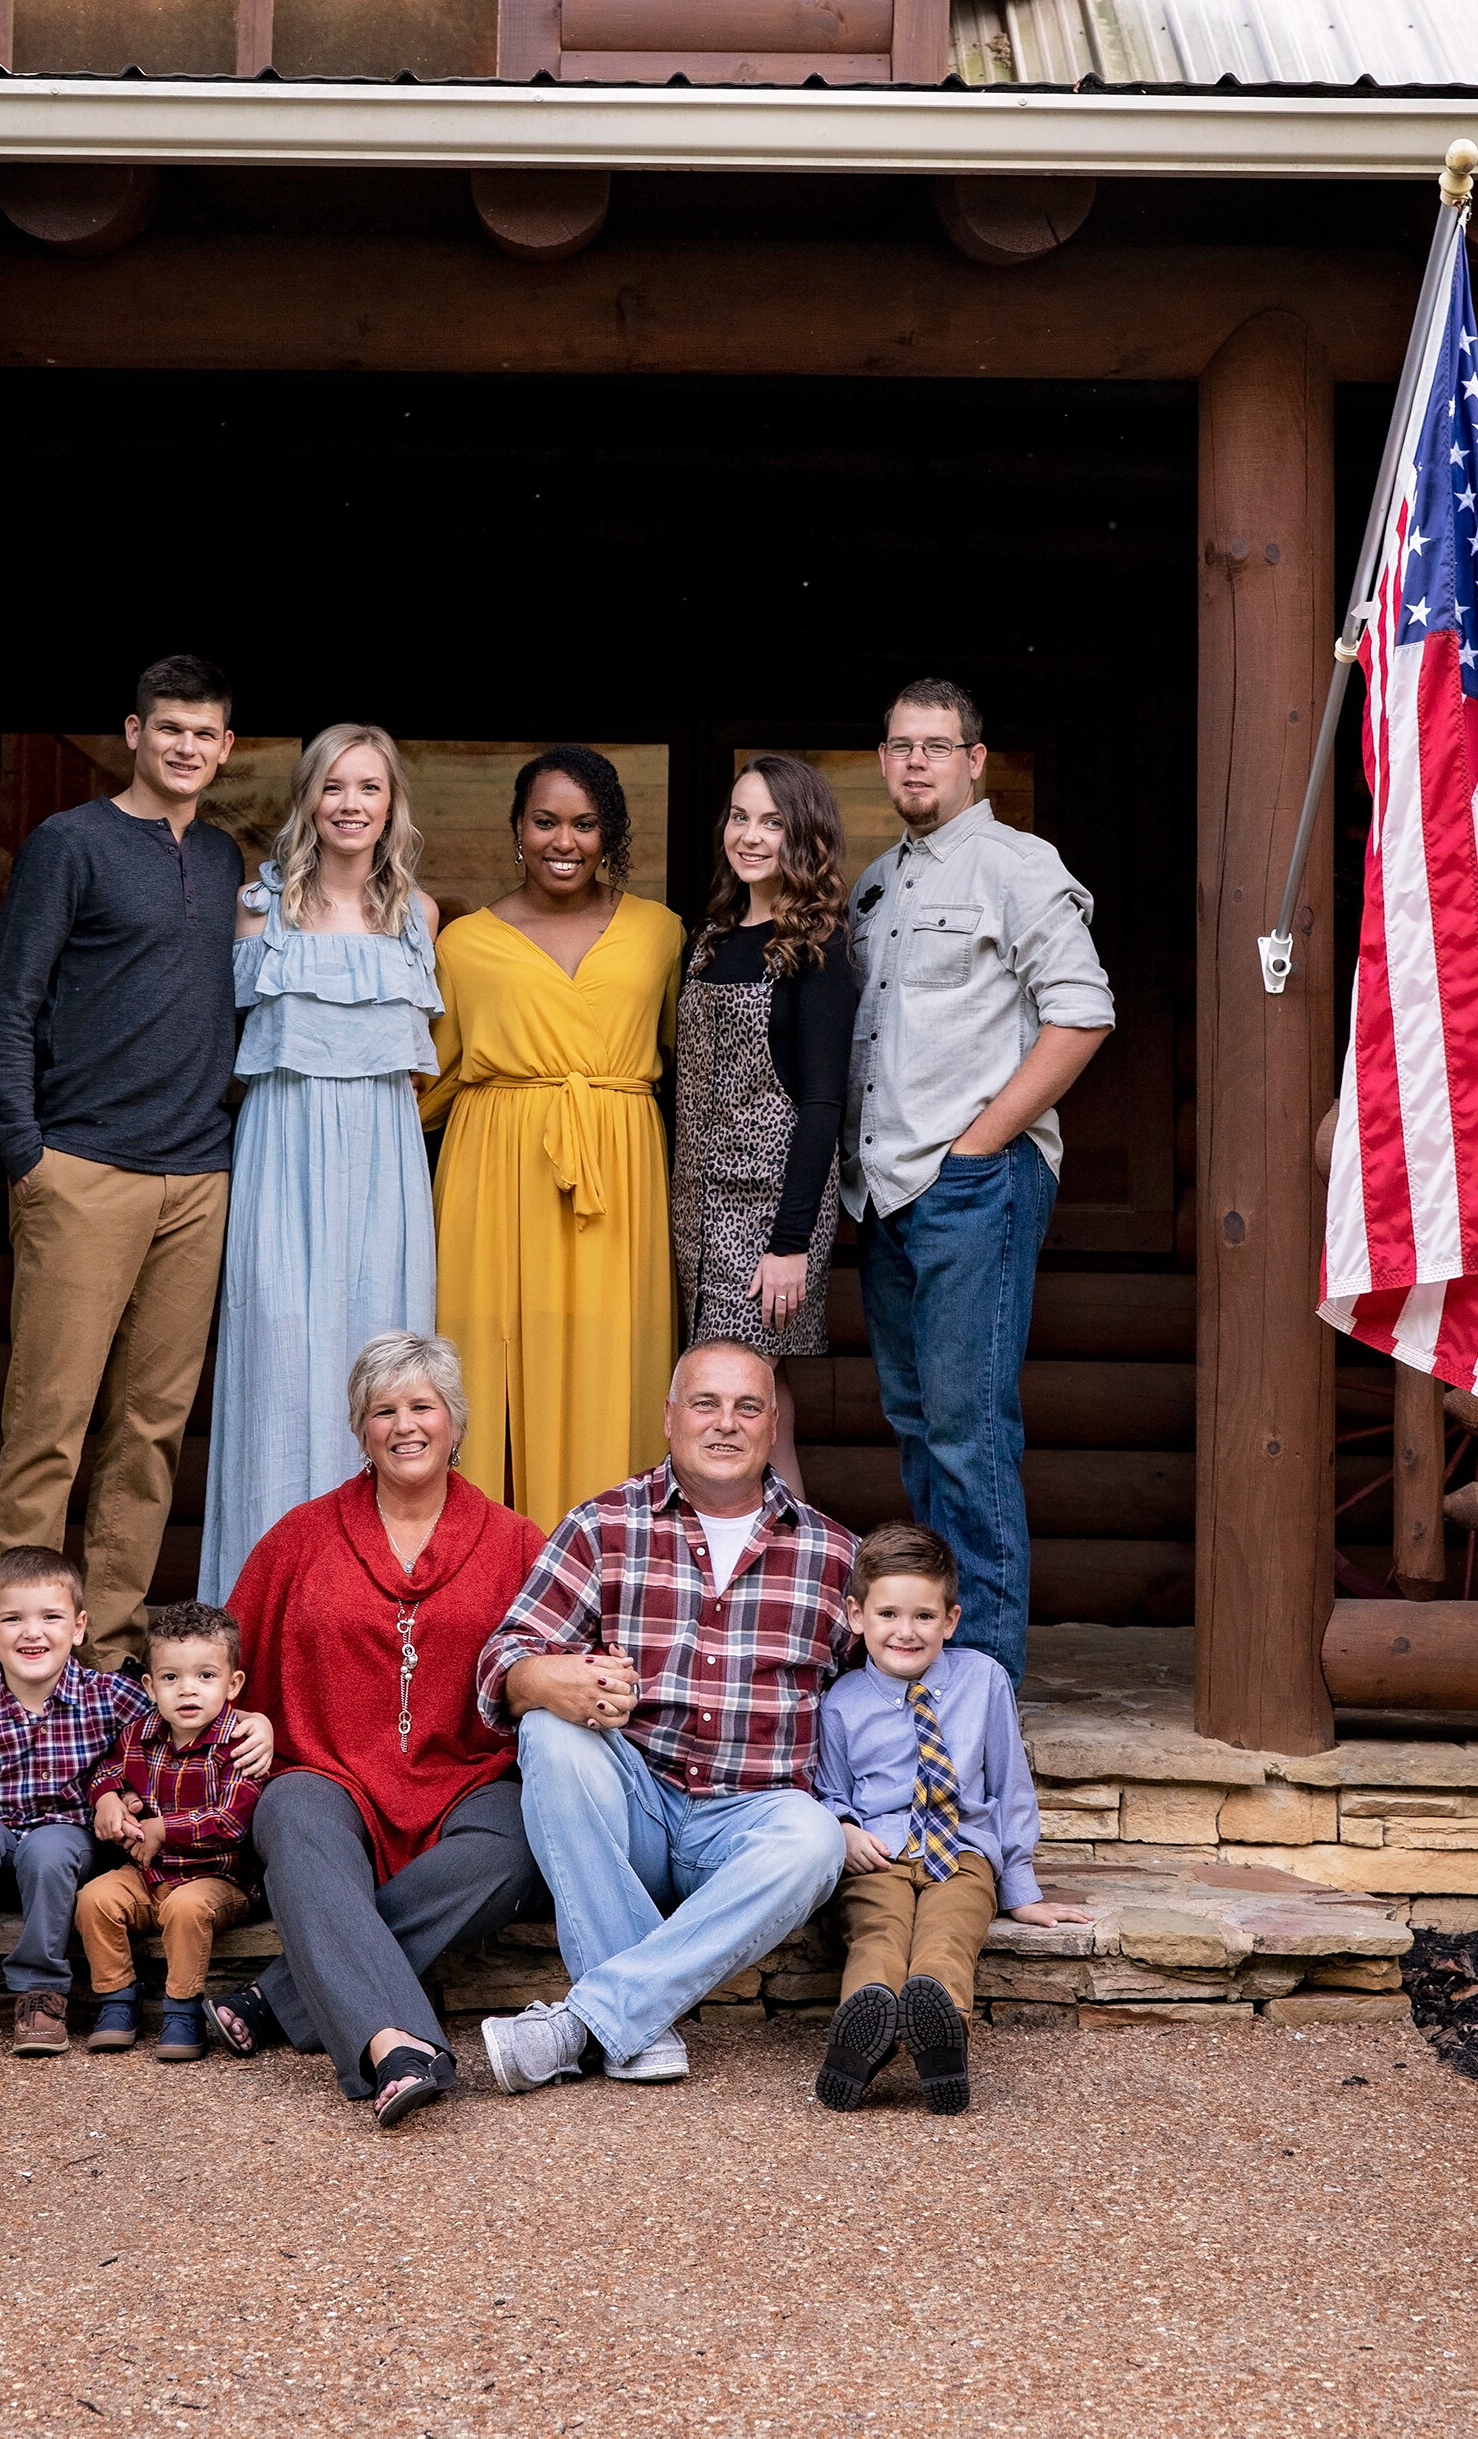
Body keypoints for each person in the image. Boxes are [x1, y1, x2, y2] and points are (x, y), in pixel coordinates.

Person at [475, 1338, 853, 2094]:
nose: (726, 1423)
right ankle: (632, 2017)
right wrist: (550, 1677)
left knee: (814, 1839)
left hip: (748, 1820)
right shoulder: (602, 1524)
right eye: (705, 1403)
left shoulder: (832, 1553)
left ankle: (592, 2023)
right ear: (670, 1417)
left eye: (748, 1406)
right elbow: (501, 1660)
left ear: (773, 1423)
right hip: (634, 1804)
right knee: (551, 1728)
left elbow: (880, 1700)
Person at [0, 652, 243, 1676]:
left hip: (197, 1175)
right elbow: (11, 1003)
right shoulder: (70, 843)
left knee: (149, 1431)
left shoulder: (222, 860)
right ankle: (11, 1662)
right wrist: (24, 1153)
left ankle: (109, 1655)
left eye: (203, 732)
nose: (184, 746)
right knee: (50, 1423)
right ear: (134, 734)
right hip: (81, 1166)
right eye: (166, 727)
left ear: (225, 746)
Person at [845, 678, 1114, 1688]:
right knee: (920, 1429)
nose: (915, 760)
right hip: (884, 1194)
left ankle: (986, 1683)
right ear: (883, 761)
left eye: (935, 744)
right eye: (899, 744)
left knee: (967, 1432)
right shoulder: (877, 883)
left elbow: (1081, 1011)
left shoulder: (1014, 865)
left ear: (973, 759)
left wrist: (979, 1143)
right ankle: (930, 1657)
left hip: (969, 1184)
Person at [213, 1334, 547, 2129]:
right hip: (327, 1774)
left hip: (469, 1775)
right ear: (361, 1429)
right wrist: (246, 1715)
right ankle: (398, 2045)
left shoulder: (516, 1540)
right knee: (290, 1817)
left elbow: (555, 1656)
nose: (405, 1424)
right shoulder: (300, 1535)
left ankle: (279, 1995)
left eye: (422, 1405)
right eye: (383, 1409)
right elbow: (224, 1659)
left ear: (455, 1421)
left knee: (522, 1842)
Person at [199, 724, 443, 1602]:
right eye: (333, 787)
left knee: (383, 1351)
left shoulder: (419, 918)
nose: (351, 804)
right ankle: (268, 1601)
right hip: (283, 1147)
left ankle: (374, 1601)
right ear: (307, 799)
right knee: (277, 1354)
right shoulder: (257, 909)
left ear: (391, 805)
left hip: (383, 1154)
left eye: (369, 788)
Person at [423, 745, 682, 1526]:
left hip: (618, 1170)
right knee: (488, 1360)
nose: (562, 841)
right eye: (545, 821)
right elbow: (421, 1080)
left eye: (584, 823)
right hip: (494, 1172)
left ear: (610, 835)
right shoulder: (463, 944)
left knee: (614, 1364)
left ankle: (611, 1564)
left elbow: (693, 1067)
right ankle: (487, 1570)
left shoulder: (660, 934)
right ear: (517, 828)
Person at [0, 1546, 272, 2058]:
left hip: (62, 1861)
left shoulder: (112, 1696)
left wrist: (257, 1722)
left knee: (49, 1846)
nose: (33, 1633)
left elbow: (187, 1708)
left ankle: (41, 1992)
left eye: (50, 1617)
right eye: (13, 1619)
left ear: (78, 1627)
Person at [812, 1521, 1089, 2117]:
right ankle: (862, 2029)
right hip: (877, 1855)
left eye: (923, 1617)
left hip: (961, 1851)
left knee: (949, 1933)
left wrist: (1020, 1887)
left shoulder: (983, 1681)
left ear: (951, 1620)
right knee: (877, 1930)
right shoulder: (840, 1703)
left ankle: (942, 2033)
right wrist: (843, 1831)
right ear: (857, 1616)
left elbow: (1009, 1784)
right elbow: (830, 1790)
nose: (905, 1632)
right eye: (888, 1614)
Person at [673, 754, 858, 1500]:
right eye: (740, 816)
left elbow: (822, 1104)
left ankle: (785, 1580)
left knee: (739, 1400)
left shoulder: (818, 944)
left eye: (772, 822)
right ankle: (784, 1580)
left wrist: (789, 1244)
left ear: (804, 834)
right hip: (695, 1206)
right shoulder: (711, 937)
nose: (749, 835)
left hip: (767, 1214)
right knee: (758, 1403)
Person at [77, 1601, 263, 2060]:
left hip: (219, 1879)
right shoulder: (138, 1734)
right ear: (149, 1685)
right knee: (94, 1899)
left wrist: (165, 1828)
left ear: (232, 1684)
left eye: (205, 1676)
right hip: (148, 1873)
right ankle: (119, 2000)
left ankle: (182, 2009)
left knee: (184, 1908)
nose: (188, 1691)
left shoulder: (239, 1742)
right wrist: (107, 1799)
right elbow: (106, 1771)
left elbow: (232, 1821)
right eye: (171, 1678)